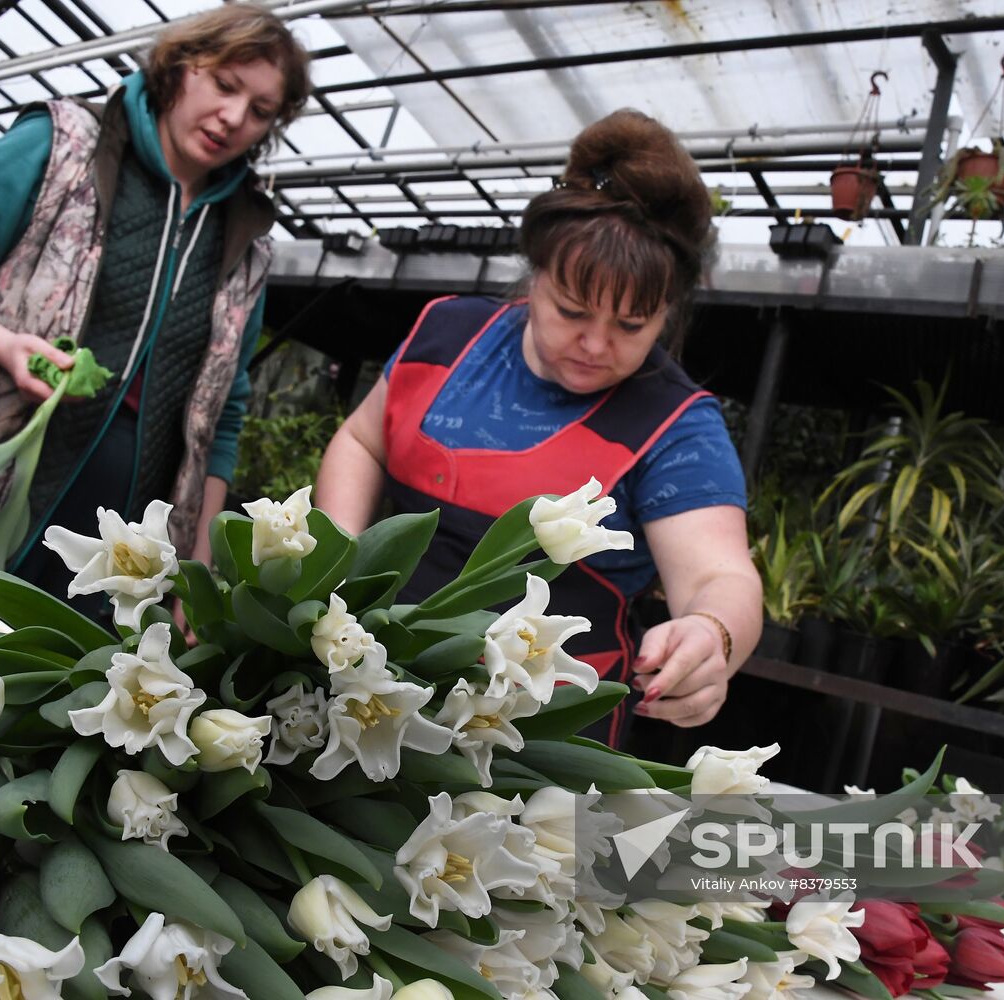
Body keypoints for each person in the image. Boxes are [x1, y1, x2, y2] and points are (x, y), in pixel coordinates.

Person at [0, 4, 310, 671]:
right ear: (177, 68)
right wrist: (3, 344)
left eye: (262, 108)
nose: (235, 117)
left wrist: (195, 576)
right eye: (224, 84)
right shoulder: (64, 145)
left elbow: (221, 420)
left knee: (9, 759)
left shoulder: (244, 245)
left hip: (104, 570)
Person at [314, 109, 763, 748]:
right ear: (535, 273)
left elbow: (722, 575)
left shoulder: (673, 425)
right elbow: (362, 441)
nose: (596, 344)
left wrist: (715, 633)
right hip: (372, 687)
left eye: (632, 326)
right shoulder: (445, 333)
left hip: (533, 734)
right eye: (571, 310)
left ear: (667, 313)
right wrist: (332, 562)